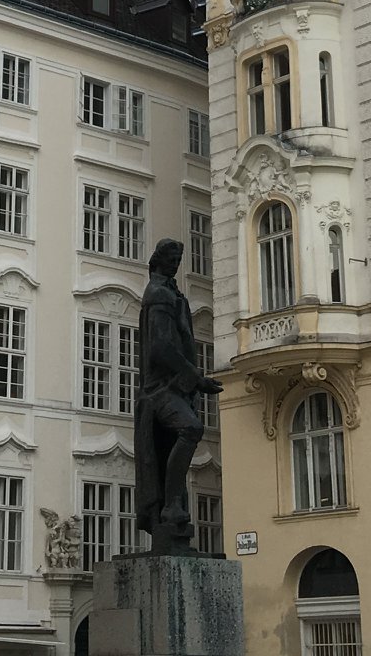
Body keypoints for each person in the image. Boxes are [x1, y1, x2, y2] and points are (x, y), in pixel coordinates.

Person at [133, 236, 223, 550]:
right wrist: (196, 378)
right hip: (160, 390)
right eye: (170, 260)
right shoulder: (158, 294)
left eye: (178, 261)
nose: (175, 265)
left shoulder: (171, 293)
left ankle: (173, 510)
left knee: (177, 441)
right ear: (158, 261)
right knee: (191, 428)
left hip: (175, 387)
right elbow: (160, 347)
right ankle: (171, 505)